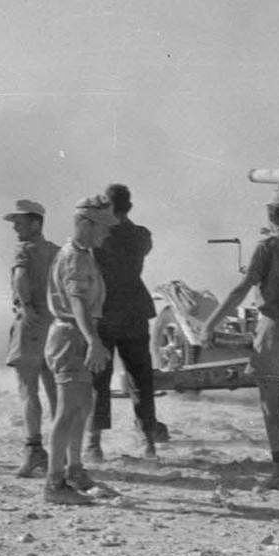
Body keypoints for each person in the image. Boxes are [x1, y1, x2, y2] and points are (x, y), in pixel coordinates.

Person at [204, 190, 279, 490]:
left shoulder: (266, 246)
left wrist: (210, 323)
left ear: (271, 215)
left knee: (270, 406)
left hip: (274, 330)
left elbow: (241, 289)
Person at [43, 195, 118, 504]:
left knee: (81, 406)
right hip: (71, 336)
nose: (107, 233)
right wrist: (93, 340)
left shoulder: (82, 254)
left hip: (77, 335)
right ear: (85, 224)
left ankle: (74, 470)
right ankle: (54, 483)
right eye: (102, 226)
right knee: (68, 409)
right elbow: (77, 303)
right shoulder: (75, 257)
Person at [87, 184, 160, 462]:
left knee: (99, 380)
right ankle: (148, 442)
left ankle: (94, 443)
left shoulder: (100, 236)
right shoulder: (141, 235)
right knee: (141, 378)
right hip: (135, 312)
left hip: (104, 312)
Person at [3, 199, 60, 478]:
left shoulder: (24, 250)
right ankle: (63, 452)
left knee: (28, 391)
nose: (15, 227)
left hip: (31, 324)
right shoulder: (58, 252)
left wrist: (25, 307)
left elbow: (21, 278)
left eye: (20, 222)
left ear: (35, 223)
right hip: (56, 325)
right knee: (56, 392)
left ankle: (34, 450)